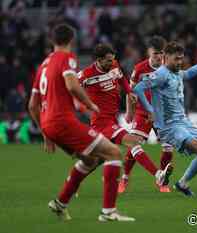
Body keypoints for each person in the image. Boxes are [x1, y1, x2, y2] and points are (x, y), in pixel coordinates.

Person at [28, 24, 135, 222]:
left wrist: (45, 134)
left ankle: (60, 204)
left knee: (91, 160)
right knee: (113, 152)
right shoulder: (66, 58)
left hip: (48, 124)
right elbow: (71, 84)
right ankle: (108, 212)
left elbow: (32, 105)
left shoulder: (43, 65)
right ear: (72, 41)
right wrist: (90, 104)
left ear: (52, 41)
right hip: (63, 122)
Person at [134, 42, 197, 197]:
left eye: (181, 59)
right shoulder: (160, 75)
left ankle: (182, 183)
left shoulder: (177, 73)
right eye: (176, 59)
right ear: (166, 58)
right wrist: (150, 109)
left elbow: (190, 72)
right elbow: (138, 88)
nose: (180, 62)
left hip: (183, 122)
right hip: (169, 127)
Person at [78, 43, 173, 192]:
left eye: (113, 59)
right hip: (101, 122)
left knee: (96, 159)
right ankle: (158, 174)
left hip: (112, 118)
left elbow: (122, 78)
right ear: (98, 60)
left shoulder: (114, 65)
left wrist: (129, 92)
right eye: (108, 60)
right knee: (133, 142)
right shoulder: (86, 75)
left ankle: (74, 181)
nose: (112, 63)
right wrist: (84, 108)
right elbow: (71, 90)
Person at [120, 36, 173, 193]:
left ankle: (162, 180)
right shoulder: (140, 68)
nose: (158, 56)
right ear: (149, 52)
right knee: (134, 143)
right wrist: (129, 111)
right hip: (143, 113)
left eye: (161, 53)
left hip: (162, 115)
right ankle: (125, 177)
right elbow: (130, 91)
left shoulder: (168, 68)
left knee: (168, 149)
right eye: (155, 53)